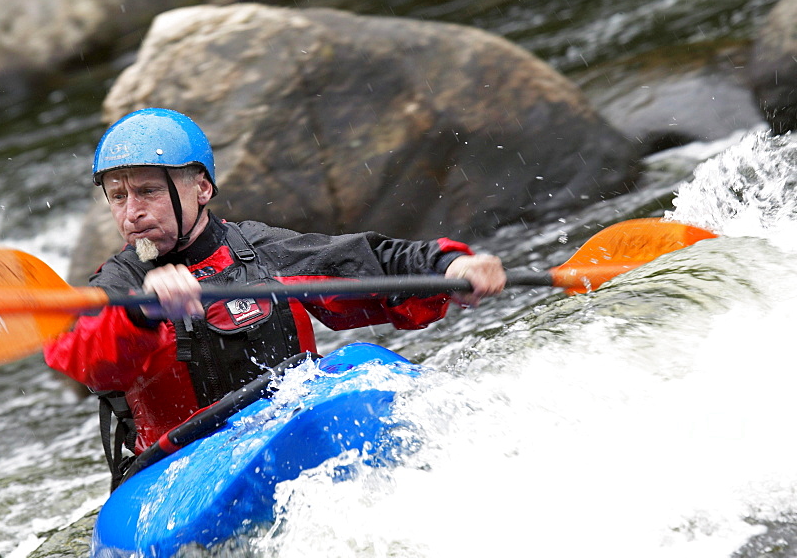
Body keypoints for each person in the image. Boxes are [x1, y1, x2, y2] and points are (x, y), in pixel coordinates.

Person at [44, 107, 506, 486]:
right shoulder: (115, 285)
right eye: (118, 196)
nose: (132, 211)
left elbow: (361, 263)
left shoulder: (261, 251)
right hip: (183, 471)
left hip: (289, 426)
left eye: (146, 190)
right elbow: (79, 359)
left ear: (201, 188)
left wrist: (449, 265)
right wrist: (145, 313)